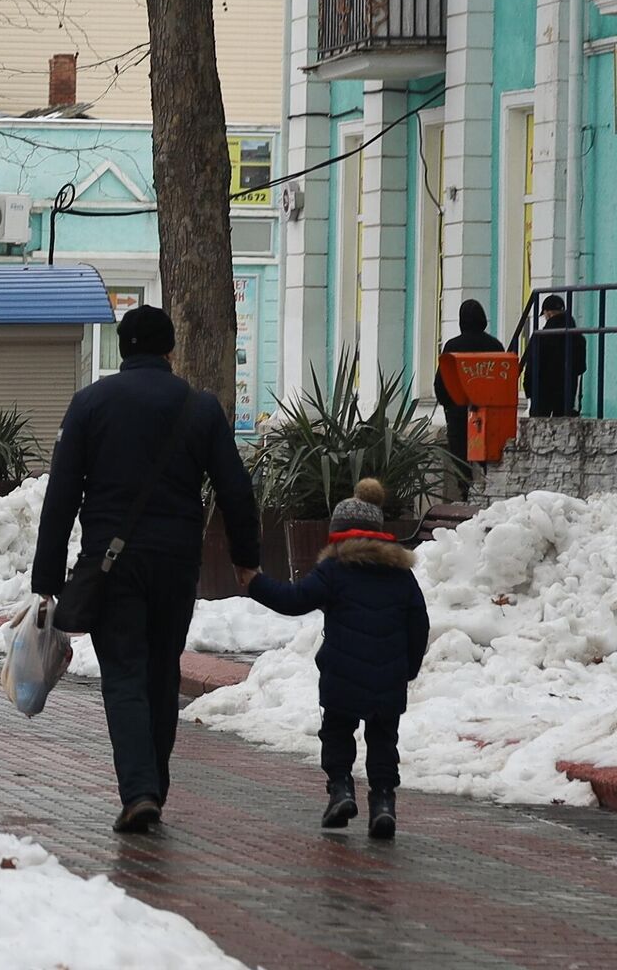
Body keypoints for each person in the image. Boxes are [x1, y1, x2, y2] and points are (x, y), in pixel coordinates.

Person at [30, 305, 260, 834]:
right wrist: (246, 558)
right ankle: (152, 783)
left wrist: (46, 580)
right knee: (161, 672)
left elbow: (61, 496)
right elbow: (236, 489)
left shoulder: (90, 404)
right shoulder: (200, 408)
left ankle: (140, 790)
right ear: (170, 349)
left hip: (112, 567)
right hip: (177, 564)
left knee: (125, 674)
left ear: (123, 348)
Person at [239, 479, 428, 840]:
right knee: (383, 738)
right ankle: (384, 803)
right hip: (388, 676)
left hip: (342, 672)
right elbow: (418, 623)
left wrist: (255, 582)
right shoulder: (401, 575)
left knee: (338, 731)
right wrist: (408, 668)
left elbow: (293, 600)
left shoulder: (335, 570)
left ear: (338, 534)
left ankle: (341, 790)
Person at [432, 299, 504, 499]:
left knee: (460, 455)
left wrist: (448, 404)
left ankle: (465, 492)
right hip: (487, 410)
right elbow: (502, 379)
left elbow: (441, 381)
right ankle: (490, 491)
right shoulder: (495, 345)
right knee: (487, 453)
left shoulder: (453, 346)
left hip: (457, 410)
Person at [525, 294, 587, 418]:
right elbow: (581, 367)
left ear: (547, 313)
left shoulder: (540, 337)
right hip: (566, 392)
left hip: (542, 392)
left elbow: (531, 366)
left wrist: (528, 389)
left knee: (539, 429)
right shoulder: (577, 337)